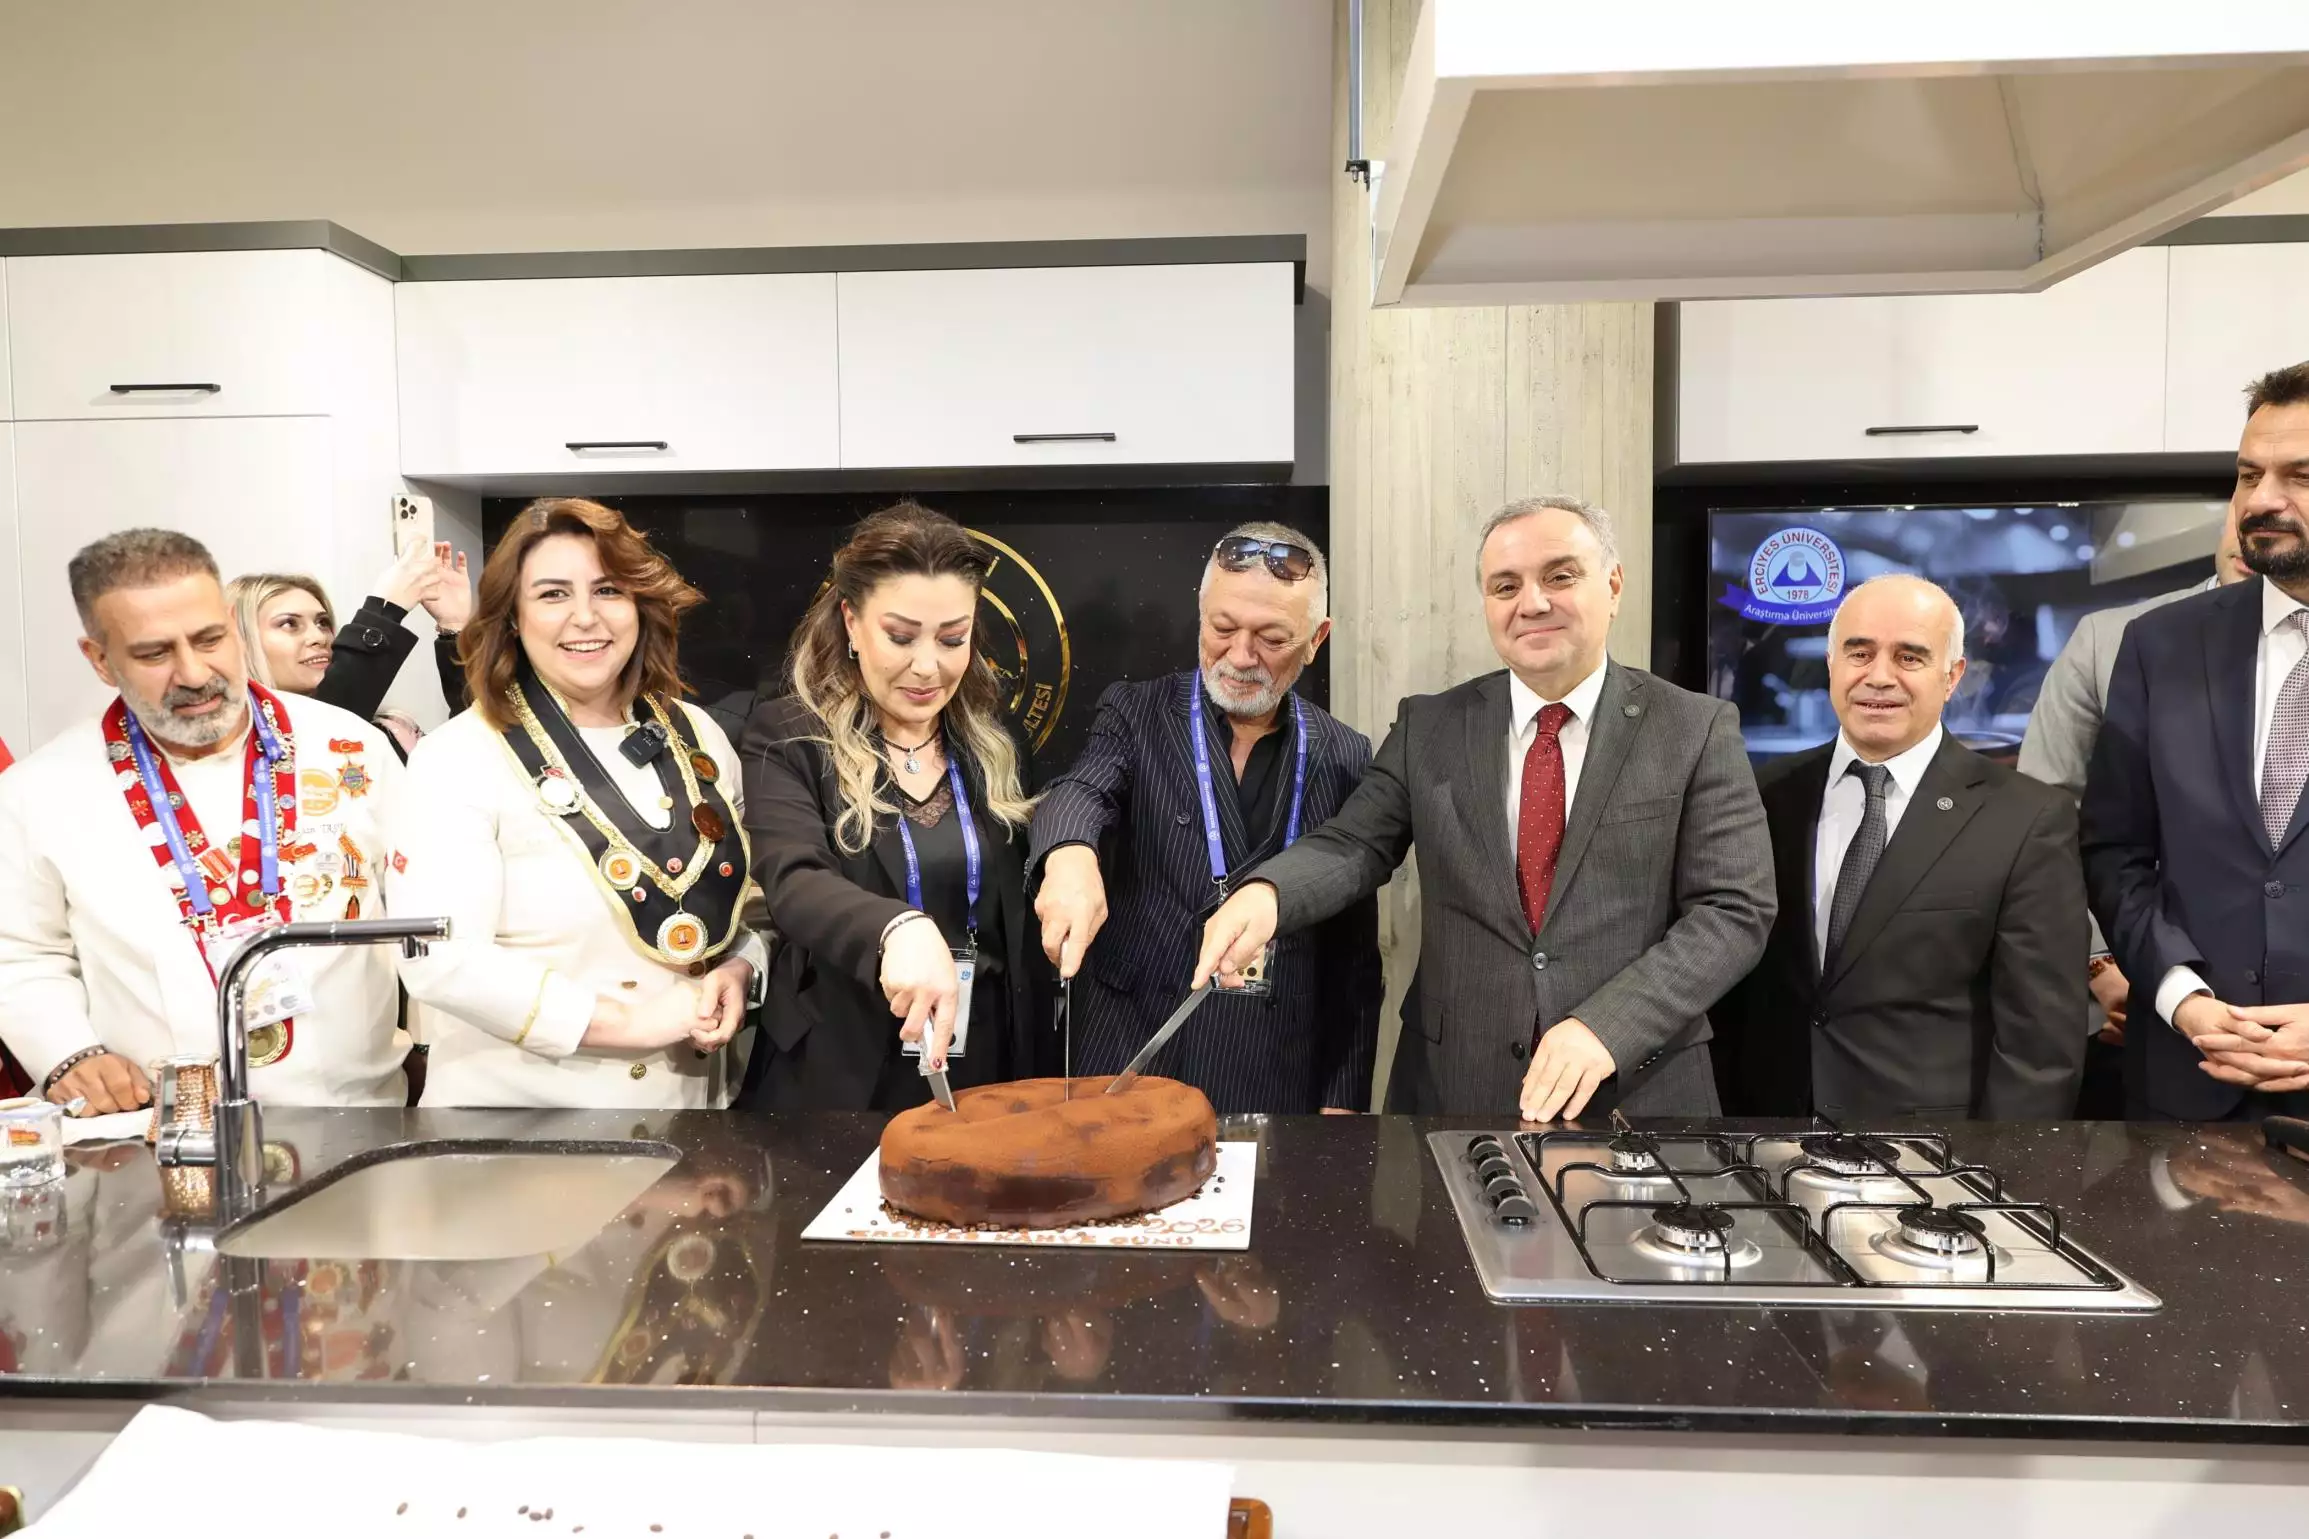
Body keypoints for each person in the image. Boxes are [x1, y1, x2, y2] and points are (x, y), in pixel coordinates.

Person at [1195, 495, 1776, 1122]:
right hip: (1454, 1092)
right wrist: (1269, 895)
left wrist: (1609, 1026)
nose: (1532, 603)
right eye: (1506, 586)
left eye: (1559, 576)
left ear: (1612, 586)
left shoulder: (1694, 728)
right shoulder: (1429, 727)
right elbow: (1354, 844)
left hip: (1639, 1094)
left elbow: (1734, 909)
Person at [0, 529, 409, 1111]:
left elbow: (429, 911)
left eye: (210, 639)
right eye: (154, 653)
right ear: (100, 660)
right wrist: (70, 1054)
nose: (194, 674)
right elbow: (19, 952)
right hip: (157, 1123)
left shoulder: (350, 746)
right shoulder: (41, 790)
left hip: (360, 1111)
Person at [386, 498, 764, 1108]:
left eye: (609, 590)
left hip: (697, 1114)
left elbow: (749, 902)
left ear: (640, 605)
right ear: (512, 616)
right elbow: (438, 958)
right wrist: (626, 1024)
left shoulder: (700, 735)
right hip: (524, 1125)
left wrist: (740, 968)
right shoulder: (457, 757)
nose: (585, 617)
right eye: (553, 595)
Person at [1028, 523, 1382, 1113]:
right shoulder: (1137, 713)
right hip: (1132, 1057)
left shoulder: (1344, 753)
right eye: (1222, 629)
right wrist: (1069, 856)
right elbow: (1081, 789)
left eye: (1272, 638)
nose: (1241, 657)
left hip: (1271, 1074)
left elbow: (1354, 957)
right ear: (1200, 613)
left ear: (1316, 639)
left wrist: (1342, 1100)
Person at [1710, 575, 2087, 1120]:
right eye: (1859, 653)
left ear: (1952, 676)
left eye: (1909, 657)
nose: (1879, 676)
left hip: (1933, 1150)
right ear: (1832, 664)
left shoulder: (2027, 817)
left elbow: (2041, 1043)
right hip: (1767, 1134)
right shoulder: (1763, 795)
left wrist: (2001, 1164)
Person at [737, 502, 1042, 1112]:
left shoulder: (996, 740)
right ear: (851, 623)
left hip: (986, 1063)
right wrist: (896, 927)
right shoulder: (789, 735)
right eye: (900, 637)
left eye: (952, 639)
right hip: (840, 1071)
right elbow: (794, 880)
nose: (927, 667)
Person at [2085, 360, 2309, 1120]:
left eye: (2299, 475)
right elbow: (2114, 853)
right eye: (2248, 474)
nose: (2262, 499)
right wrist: (2180, 995)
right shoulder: (2160, 644)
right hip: (2187, 1082)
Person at [2017, 514, 2250, 1115]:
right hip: (2120, 997)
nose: (2259, 520)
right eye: (2248, 481)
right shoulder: (2114, 639)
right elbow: (2048, 821)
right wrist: (2101, 964)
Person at [227, 538, 472, 746]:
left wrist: (455, 628)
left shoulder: (392, 732)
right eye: (289, 623)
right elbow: (321, 736)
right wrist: (384, 609)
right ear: (241, 641)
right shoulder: (237, 746)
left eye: (322, 622)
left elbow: (474, 765)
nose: (318, 637)